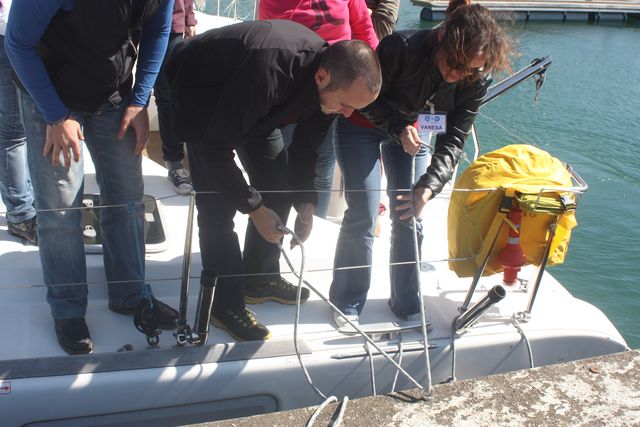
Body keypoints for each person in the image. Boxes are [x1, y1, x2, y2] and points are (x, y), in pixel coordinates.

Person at [166, 19, 381, 341]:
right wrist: (254, 207)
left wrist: (307, 204)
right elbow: (215, 150)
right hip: (202, 97)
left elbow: (306, 148)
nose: (348, 114)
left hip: (260, 109)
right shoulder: (270, 69)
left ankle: (258, 278)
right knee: (218, 211)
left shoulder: (328, 84)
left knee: (278, 189)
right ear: (322, 77)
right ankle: (225, 304)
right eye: (346, 105)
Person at [5, 0, 179, 355]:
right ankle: (68, 310)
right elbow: (18, 44)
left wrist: (140, 99)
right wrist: (56, 117)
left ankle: (129, 294)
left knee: (129, 198)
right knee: (60, 207)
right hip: (49, 95)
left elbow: (159, 30)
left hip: (113, 95)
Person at [328, 3, 512, 328]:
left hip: (412, 132)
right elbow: (369, 100)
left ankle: (406, 301)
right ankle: (347, 300)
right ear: (442, 36)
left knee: (410, 214)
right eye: (455, 64)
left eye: (470, 70)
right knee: (364, 213)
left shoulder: (475, 80)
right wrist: (399, 128)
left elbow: (454, 139)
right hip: (363, 124)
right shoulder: (401, 47)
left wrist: (428, 187)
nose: (458, 75)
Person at [252, 0, 378, 306]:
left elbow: (363, 29)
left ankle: (306, 240)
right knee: (276, 180)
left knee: (318, 168)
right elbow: (272, 29)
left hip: (336, 90)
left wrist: (369, 76)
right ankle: (261, 271)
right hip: (291, 89)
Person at [0, 0, 37, 245]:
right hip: (9, 36)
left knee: (25, 129)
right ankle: (20, 214)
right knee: (15, 131)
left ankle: (27, 203)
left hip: (32, 32)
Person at [154, 0, 197, 195]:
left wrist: (188, 17)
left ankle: (174, 163)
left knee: (168, 97)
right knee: (116, 90)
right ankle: (110, 159)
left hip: (172, 24)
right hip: (126, 18)